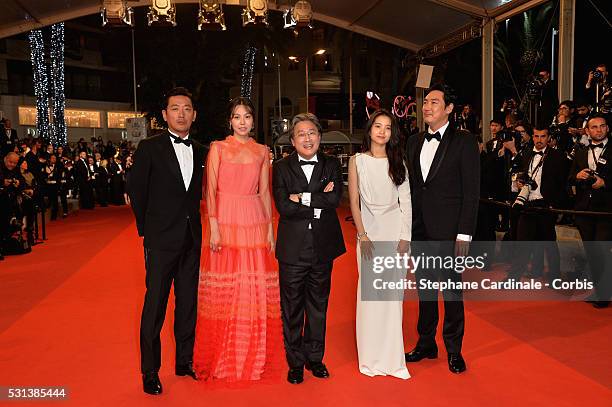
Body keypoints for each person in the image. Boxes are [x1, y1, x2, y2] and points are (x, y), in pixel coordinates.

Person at [193, 97, 282, 383]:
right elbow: (210, 190)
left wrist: (270, 228)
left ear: (254, 120)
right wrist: (214, 226)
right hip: (226, 219)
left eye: (247, 116)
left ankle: (251, 355)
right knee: (227, 287)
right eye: (236, 116)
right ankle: (224, 355)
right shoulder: (218, 148)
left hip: (254, 218)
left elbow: (265, 192)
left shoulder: (262, 151)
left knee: (251, 285)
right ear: (229, 121)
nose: (242, 121)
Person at [127, 87, 206, 395]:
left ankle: (184, 361)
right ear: (165, 115)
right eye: (175, 108)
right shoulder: (150, 147)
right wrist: (148, 231)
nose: (181, 114)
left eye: (187, 108)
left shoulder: (201, 150)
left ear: (194, 114)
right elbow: (137, 190)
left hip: (191, 239)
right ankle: (150, 370)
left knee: (188, 303)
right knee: (155, 305)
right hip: (160, 240)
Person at [404, 83, 480, 374]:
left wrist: (464, 233)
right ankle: (426, 342)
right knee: (424, 290)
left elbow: (471, 191)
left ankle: (454, 349)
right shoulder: (413, 141)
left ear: (448, 109)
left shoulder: (464, 141)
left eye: (434, 102)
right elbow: (410, 188)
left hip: (450, 232)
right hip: (419, 230)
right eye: (425, 102)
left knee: (451, 291)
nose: (426, 106)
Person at [272, 113, 346, 384]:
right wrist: (317, 201)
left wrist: (301, 198)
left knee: (318, 305)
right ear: (292, 140)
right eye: (301, 134)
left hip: (323, 247)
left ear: (319, 136)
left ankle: (315, 358)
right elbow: (283, 207)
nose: (307, 138)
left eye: (312, 132)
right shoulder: (280, 167)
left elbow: (335, 198)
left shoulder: (331, 164)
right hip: (292, 249)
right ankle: (295, 362)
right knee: (292, 307)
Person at [348, 109, 411, 379]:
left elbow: (406, 202)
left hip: (394, 229)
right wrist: (362, 235)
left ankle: (391, 358)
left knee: (393, 299)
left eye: (387, 127)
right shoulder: (357, 161)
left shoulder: (399, 164)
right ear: (370, 129)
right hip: (369, 234)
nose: (382, 131)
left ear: (391, 133)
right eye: (378, 126)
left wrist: (404, 237)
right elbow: (354, 202)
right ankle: (371, 357)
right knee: (370, 297)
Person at [569, 115, 611, 308]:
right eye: (594, 127)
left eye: (602, 126)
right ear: (587, 131)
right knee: (592, 253)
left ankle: (604, 294)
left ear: (607, 128)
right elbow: (570, 178)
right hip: (584, 210)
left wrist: (606, 183)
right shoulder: (580, 152)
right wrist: (577, 175)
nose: (599, 130)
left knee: (603, 251)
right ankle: (599, 290)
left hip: (606, 210)